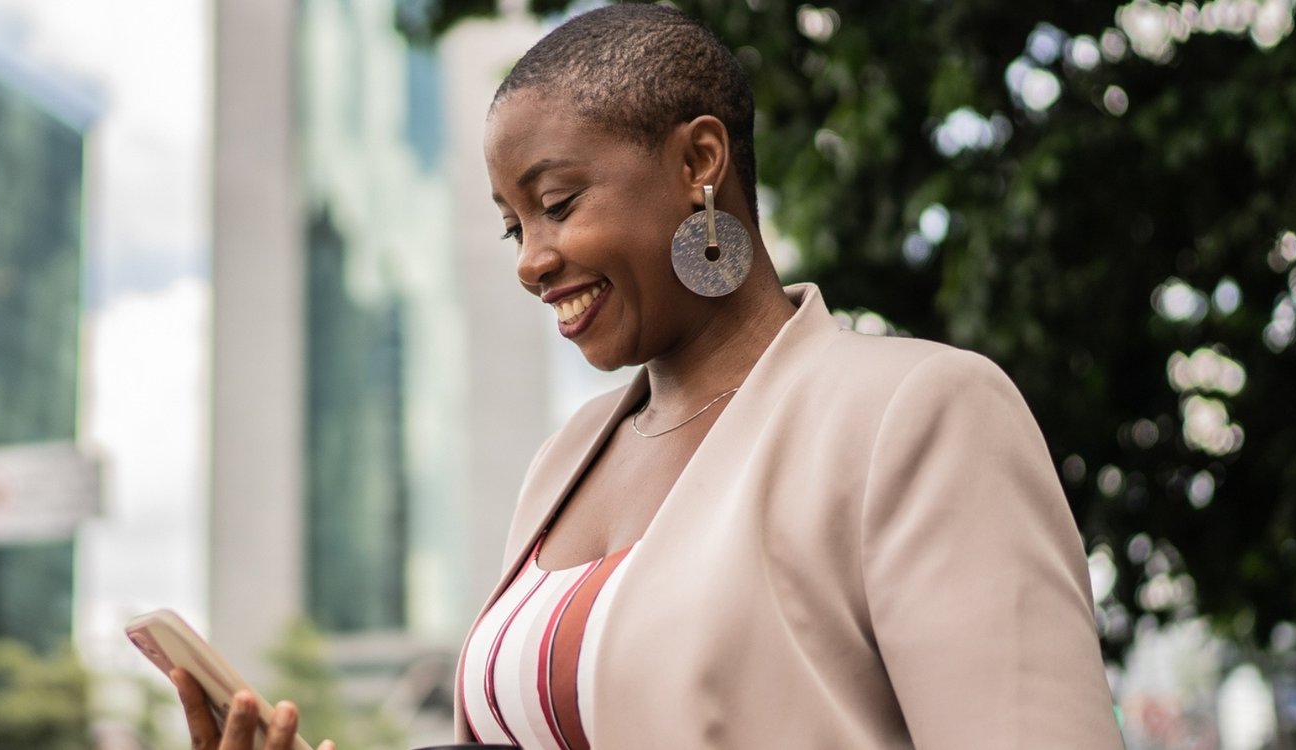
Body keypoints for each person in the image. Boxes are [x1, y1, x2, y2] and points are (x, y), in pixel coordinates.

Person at [172, 5, 1122, 748]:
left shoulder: (918, 414)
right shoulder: (566, 459)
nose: (530, 260)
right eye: (514, 225)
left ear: (698, 162)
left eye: (556, 204)